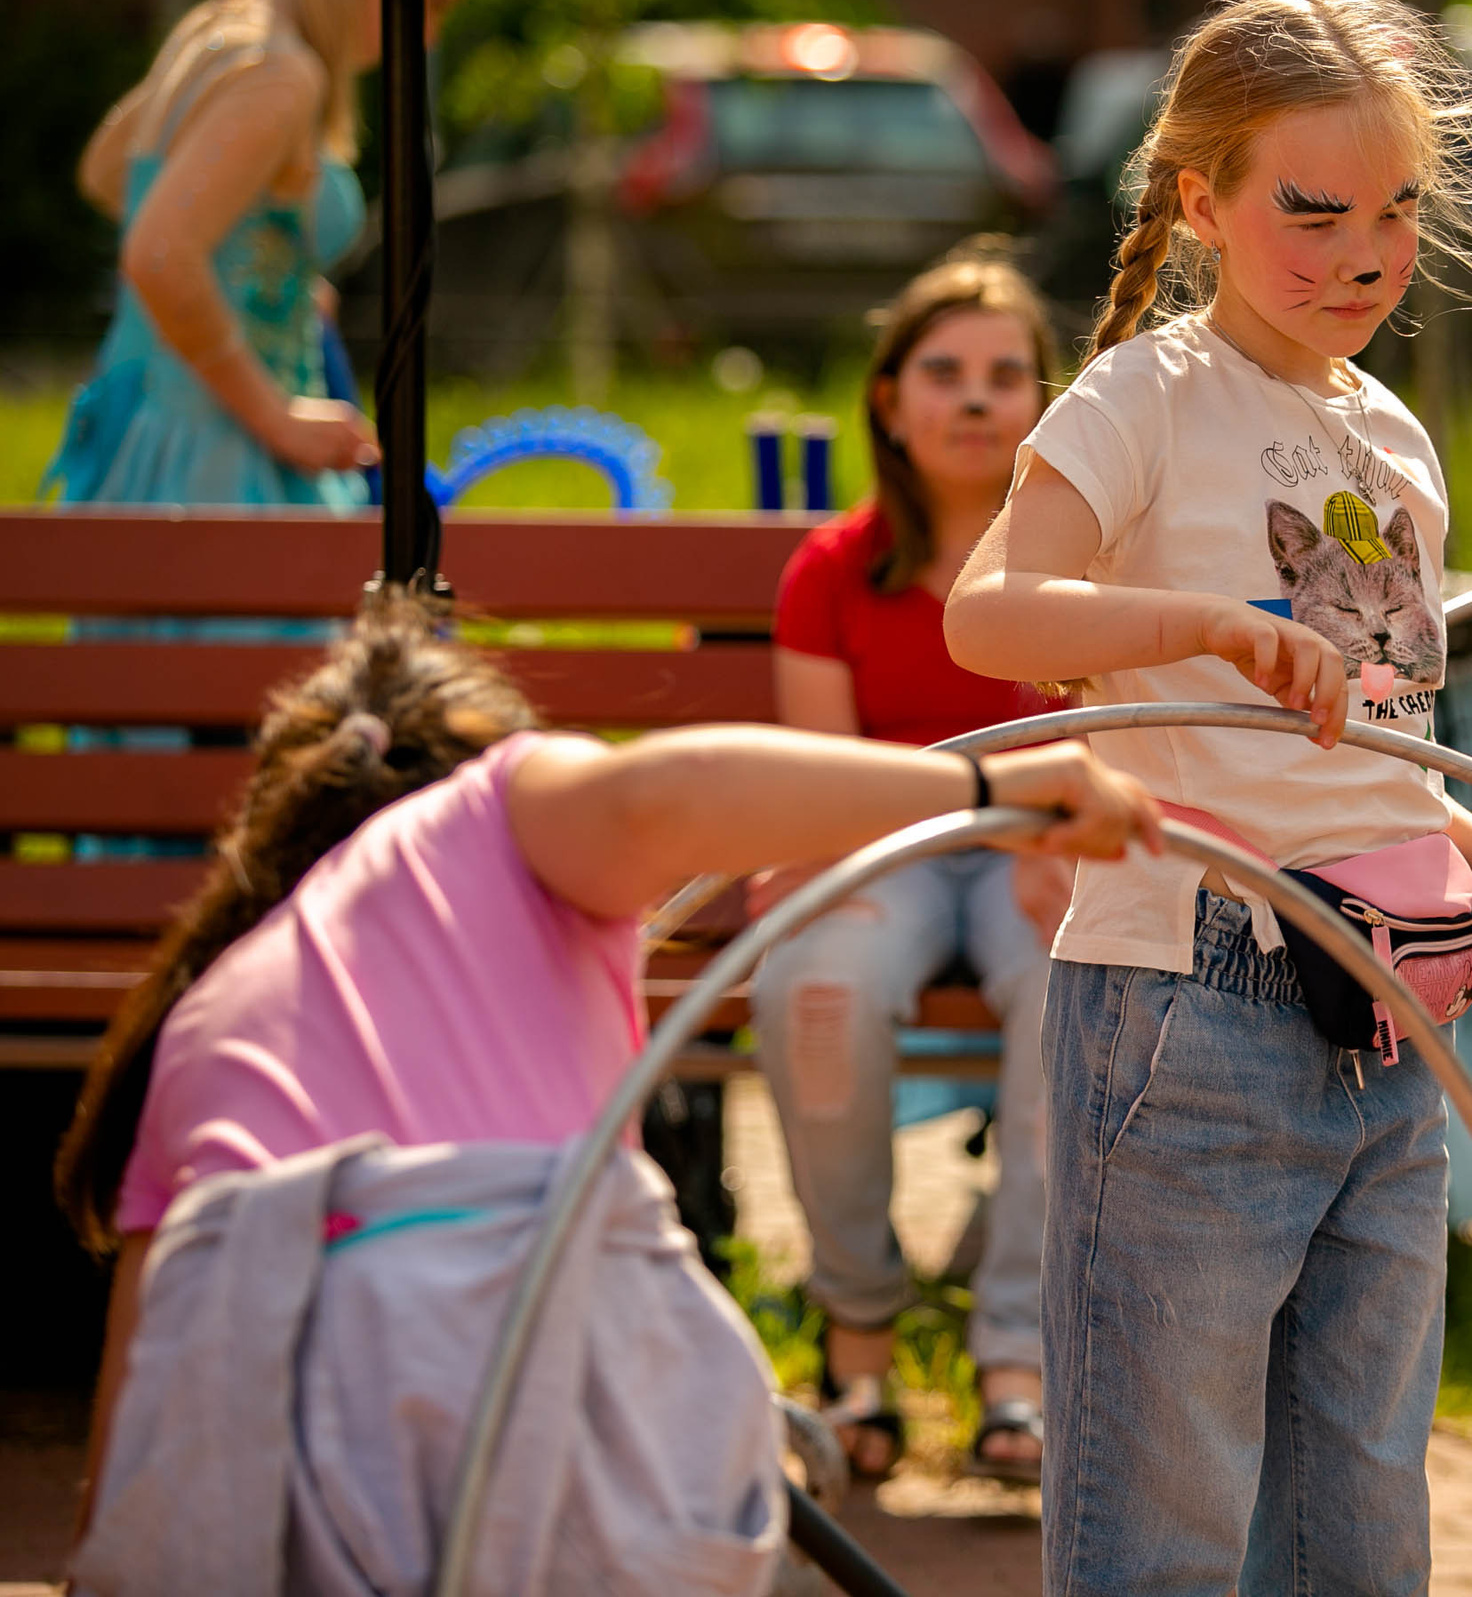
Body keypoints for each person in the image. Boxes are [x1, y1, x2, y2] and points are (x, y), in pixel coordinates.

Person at [53, 596, 1160, 1558]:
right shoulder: (487, 812)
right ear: (479, 747)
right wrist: (986, 782)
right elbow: (653, 800)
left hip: (242, 1400)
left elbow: (134, 1430)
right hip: (487, 1308)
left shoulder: (201, 1010)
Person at [942, 0, 1472, 1595]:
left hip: (1394, 1006)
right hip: (1196, 999)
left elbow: (1369, 733)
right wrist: (1198, 633)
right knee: (1166, 1506)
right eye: (1312, 210)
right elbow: (989, 615)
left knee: (1362, 1511)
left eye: (1397, 211)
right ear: (1202, 198)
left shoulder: (1393, 435)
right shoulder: (1148, 396)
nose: (1365, 254)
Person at [751, 249, 1067, 1483]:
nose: (975, 398)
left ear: (1047, 402)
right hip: (884, 837)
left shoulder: (1072, 559)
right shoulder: (829, 573)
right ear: (889, 398)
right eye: (943, 371)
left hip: (1039, 842)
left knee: (1078, 982)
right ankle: (857, 1335)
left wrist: (1061, 841)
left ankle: (1018, 1362)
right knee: (815, 992)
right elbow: (825, 775)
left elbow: (1105, 731)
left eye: (1005, 373)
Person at [46, 0, 460, 507]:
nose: (426, 36)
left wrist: (268, 273)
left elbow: (107, 172)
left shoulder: (218, 34)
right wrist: (277, 419)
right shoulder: (279, 72)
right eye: (432, 2)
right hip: (214, 457)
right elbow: (159, 254)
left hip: (149, 430)